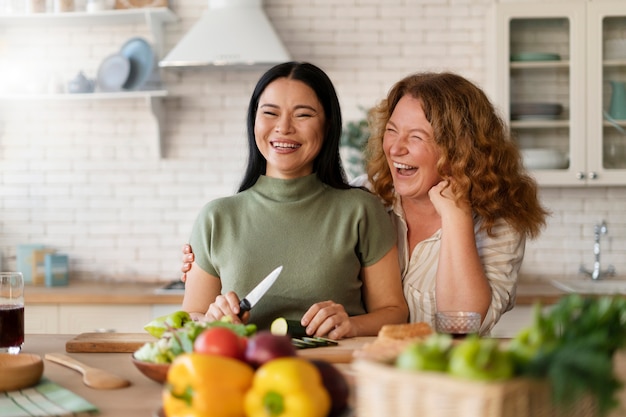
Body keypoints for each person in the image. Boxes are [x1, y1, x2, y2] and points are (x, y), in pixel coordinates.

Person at [181, 61, 408, 340]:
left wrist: (352, 324)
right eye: (270, 113)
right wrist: (210, 320)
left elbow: (394, 311)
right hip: (241, 375)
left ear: (327, 126)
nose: (284, 127)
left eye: (303, 115)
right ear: (254, 121)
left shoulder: (361, 210)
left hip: (337, 372)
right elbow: (191, 318)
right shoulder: (216, 217)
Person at [361, 71, 548, 334]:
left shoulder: (500, 223)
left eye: (416, 136)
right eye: (392, 130)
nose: (395, 148)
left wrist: (456, 216)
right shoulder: (366, 198)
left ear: (460, 148)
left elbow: (460, 328)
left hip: (446, 372)